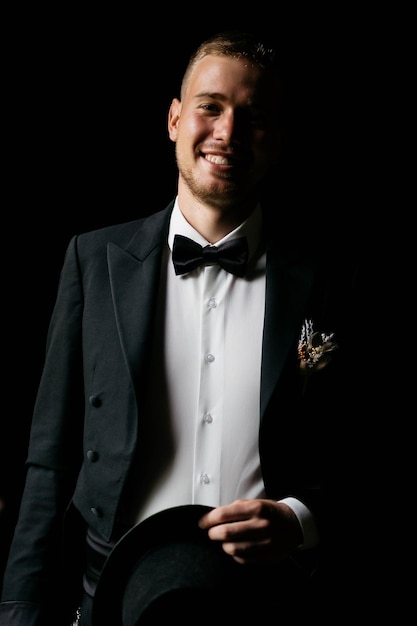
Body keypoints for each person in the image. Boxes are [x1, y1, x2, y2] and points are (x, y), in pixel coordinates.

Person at [0, 30, 357, 625]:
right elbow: (49, 463)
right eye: (210, 107)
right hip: (114, 603)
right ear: (173, 119)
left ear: (278, 140)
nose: (228, 133)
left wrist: (301, 521)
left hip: (273, 605)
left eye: (254, 116)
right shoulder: (93, 262)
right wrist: (18, 612)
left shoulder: (332, 280)